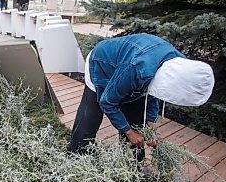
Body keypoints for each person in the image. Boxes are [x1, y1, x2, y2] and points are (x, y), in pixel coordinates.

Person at [69, 33, 215, 162]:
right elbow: (107, 102)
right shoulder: (138, 69)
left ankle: (134, 167)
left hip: (129, 69)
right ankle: (77, 157)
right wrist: (129, 132)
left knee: (135, 121)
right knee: (90, 117)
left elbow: (155, 95)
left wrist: (150, 126)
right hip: (102, 64)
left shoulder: (178, 64)